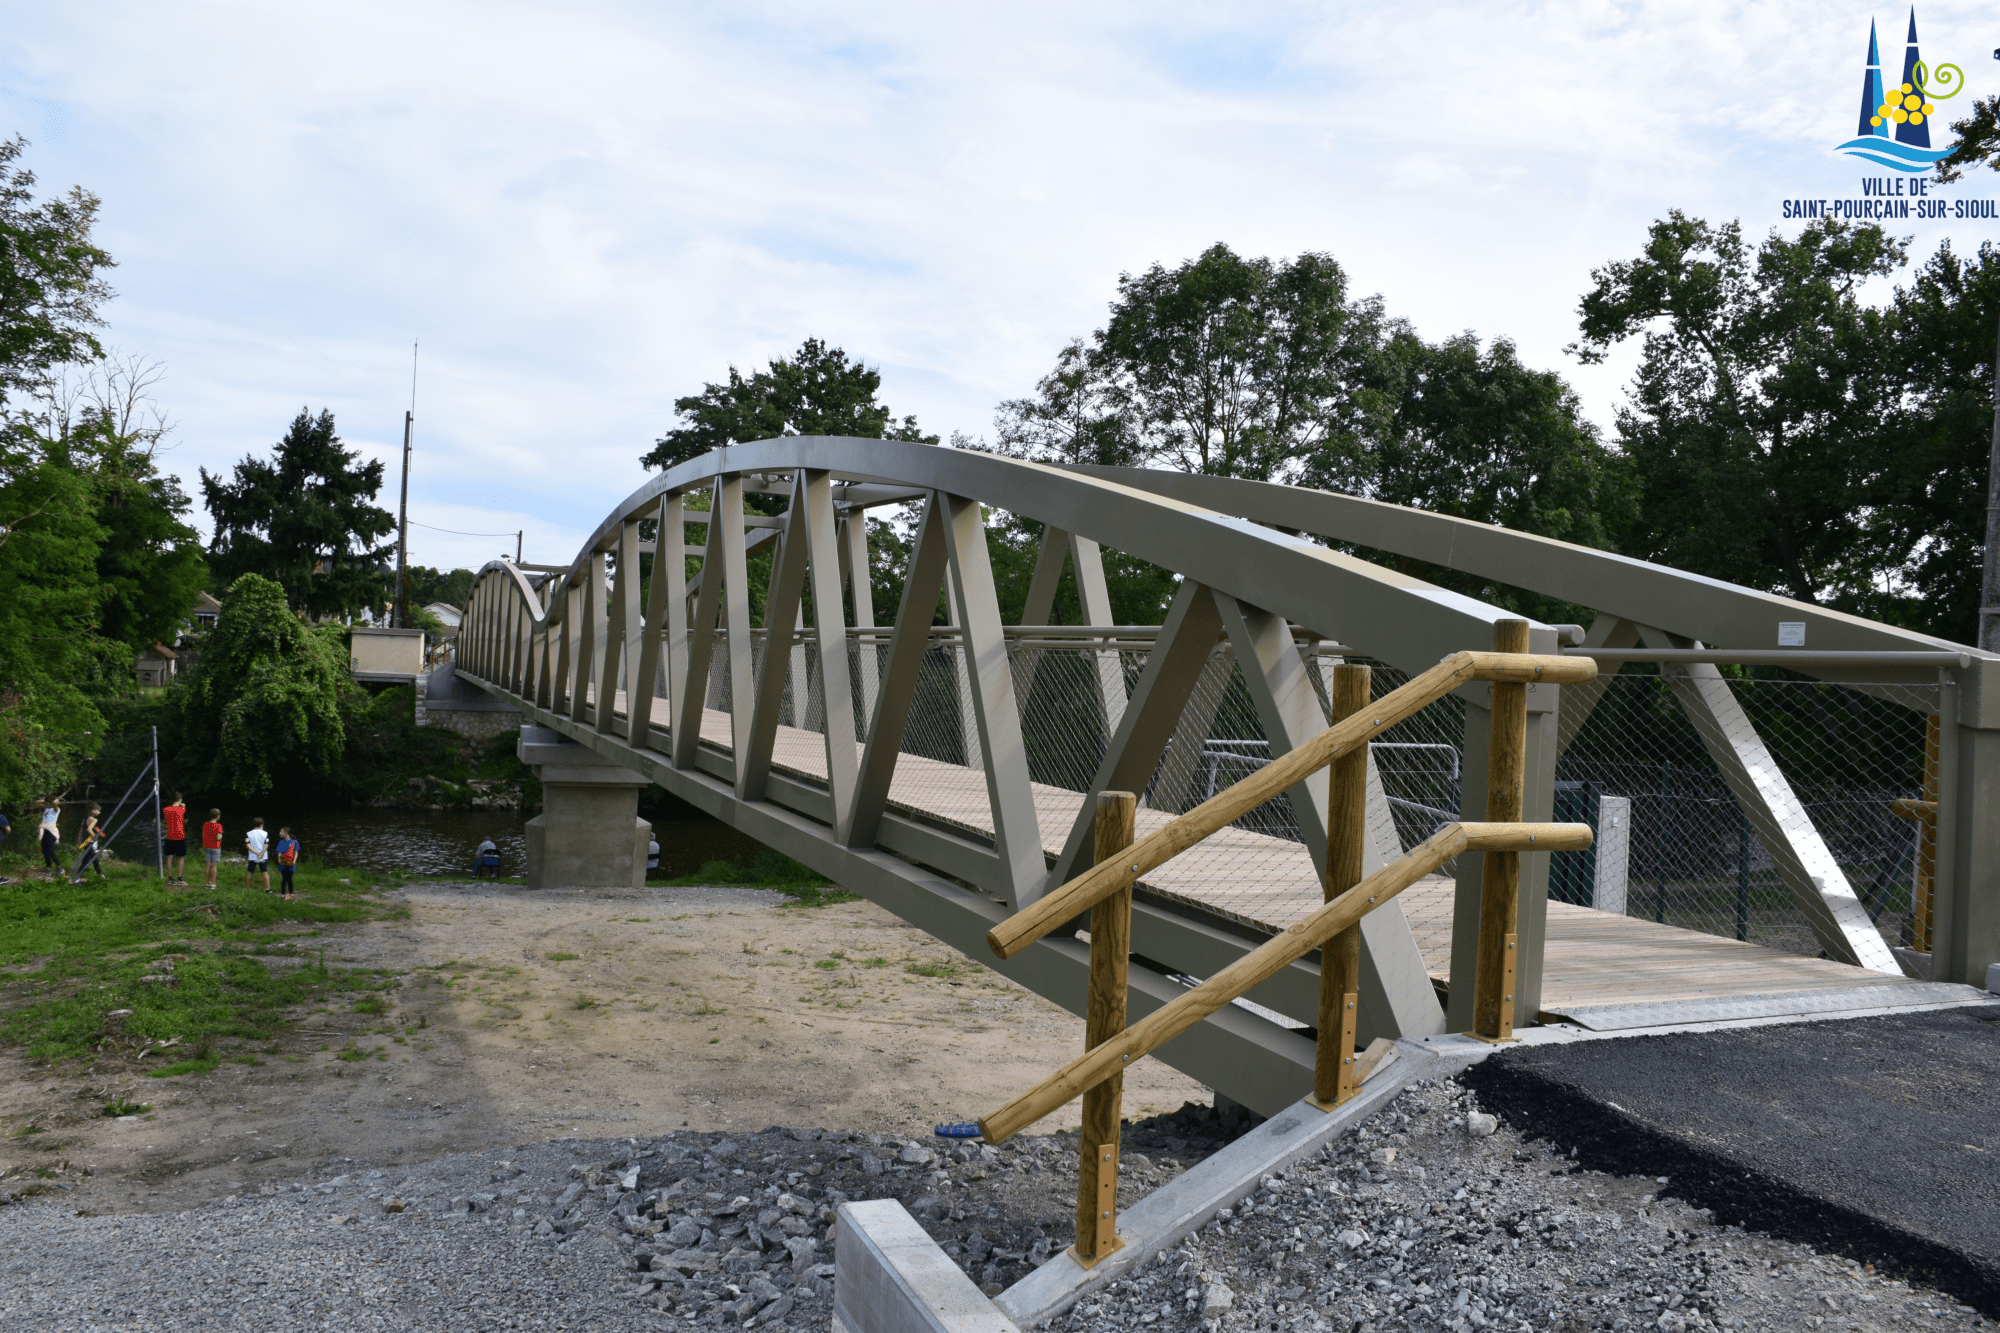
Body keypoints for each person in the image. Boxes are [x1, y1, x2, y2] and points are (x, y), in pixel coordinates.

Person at [71, 805, 107, 883]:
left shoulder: (86, 818)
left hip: (84, 841)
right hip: (89, 841)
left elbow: (87, 828)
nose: (99, 812)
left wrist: (99, 831)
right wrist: (94, 836)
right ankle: (76, 878)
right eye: (98, 810)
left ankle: (100, 875)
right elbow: (89, 829)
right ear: (93, 810)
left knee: (95, 860)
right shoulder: (94, 819)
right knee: (86, 860)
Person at [161, 793, 188, 886]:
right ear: (180, 799)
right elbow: (185, 820)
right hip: (180, 836)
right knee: (181, 858)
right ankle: (180, 879)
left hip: (169, 836)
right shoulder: (182, 809)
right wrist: (182, 806)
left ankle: (170, 879)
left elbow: (166, 820)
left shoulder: (165, 810)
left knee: (169, 857)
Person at [273, 827, 300, 901]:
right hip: (283, 864)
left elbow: (296, 852)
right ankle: (283, 895)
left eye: (281, 832)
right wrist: (279, 859)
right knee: (284, 879)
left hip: (291, 864)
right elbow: (279, 852)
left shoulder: (294, 841)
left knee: (289, 879)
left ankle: (290, 895)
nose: (280, 833)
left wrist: (294, 861)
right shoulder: (281, 842)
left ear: (286, 833)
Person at [244, 817, 271, 892]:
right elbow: (266, 844)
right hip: (263, 856)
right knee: (264, 872)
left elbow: (247, 845)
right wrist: (261, 853)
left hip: (252, 856)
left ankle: (247, 888)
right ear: (261, 825)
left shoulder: (248, 833)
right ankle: (268, 889)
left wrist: (256, 853)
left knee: (250, 872)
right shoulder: (265, 833)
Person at [39, 801, 63, 877]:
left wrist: (52, 801)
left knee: (51, 852)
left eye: (47, 802)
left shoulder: (56, 810)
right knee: (45, 852)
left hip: (51, 833)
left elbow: (55, 803)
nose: (45, 804)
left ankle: (59, 868)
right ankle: (48, 869)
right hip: (45, 832)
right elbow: (38, 802)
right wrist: (45, 801)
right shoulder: (46, 809)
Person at [201, 809, 224, 887]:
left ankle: (207, 883)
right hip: (215, 847)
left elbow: (203, 836)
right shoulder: (218, 826)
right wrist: (221, 836)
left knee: (208, 865)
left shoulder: (206, 824)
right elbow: (218, 837)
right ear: (217, 816)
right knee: (214, 866)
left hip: (207, 846)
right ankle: (212, 884)